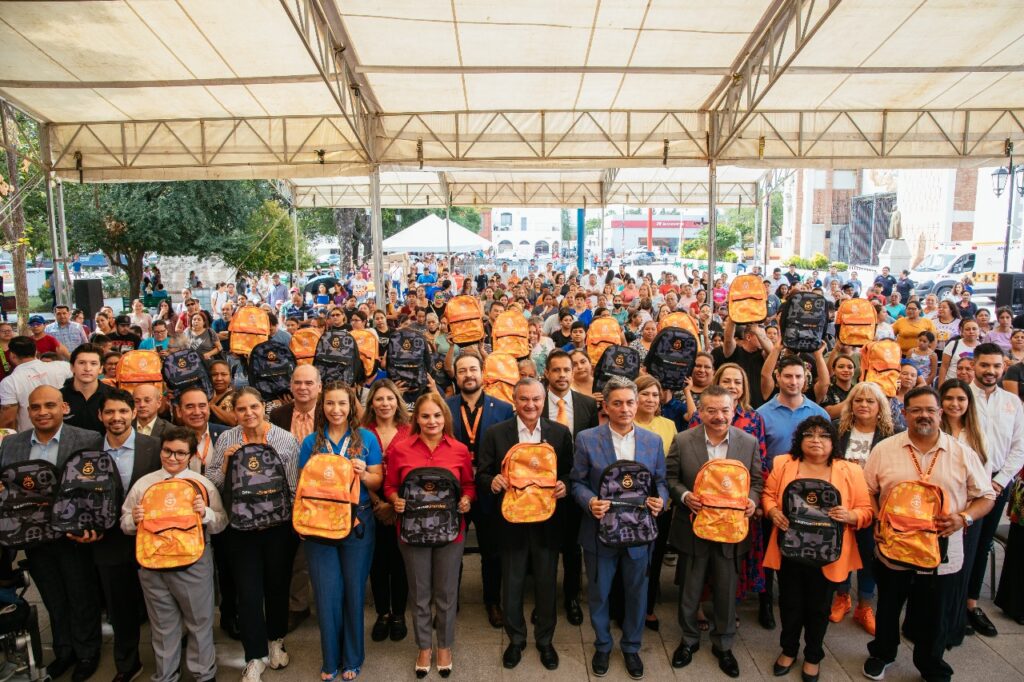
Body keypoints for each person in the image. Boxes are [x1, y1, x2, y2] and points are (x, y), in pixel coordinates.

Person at [861, 386, 996, 682]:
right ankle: (882, 654)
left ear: (940, 413)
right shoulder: (885, 449)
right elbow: (867, 489)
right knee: (888, 606)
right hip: (893, 547)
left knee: (935, 614)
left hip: (942, 552)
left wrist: (963, 517)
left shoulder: (961, 452)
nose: (924, 415)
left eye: (930, 410)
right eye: (916, 410)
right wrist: (878, 519)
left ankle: (931, 664)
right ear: (905, 413)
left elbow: (986, 496)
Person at [0, 386, 104, 681]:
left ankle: (87, 653)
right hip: (32, 536)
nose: (42, 412)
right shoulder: (12, 443)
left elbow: (98, 487)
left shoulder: (88, 439)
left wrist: (94, 527)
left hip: (73, 536)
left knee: (81, 595)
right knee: (52, 597)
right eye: (35, 407)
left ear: (64, 408)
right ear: (28, 411)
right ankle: (64, 650)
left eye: (49, 405)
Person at [571, 376, 668, 680]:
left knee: (637, 593)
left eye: (629, 402)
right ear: (606, 406)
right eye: (617, 403)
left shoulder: (653, 441)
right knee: (599, 593)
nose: (625, 409)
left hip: (639, 533)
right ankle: (602, 645)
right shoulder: (587, 439)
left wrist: (661, 501)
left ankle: (631, 647)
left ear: (637, 404)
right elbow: (576, 481)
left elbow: (661, 482)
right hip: (600, 532)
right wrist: (589, 502)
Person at [763, 416, 872, 682]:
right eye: (809, 434)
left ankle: (813, 655)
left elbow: (866, 510)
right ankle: (788, 650)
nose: (816, 440)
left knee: (819, 607)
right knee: (789, 604)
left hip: (828, 553)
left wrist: (851, 515)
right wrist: (773, 511)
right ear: (799, 439)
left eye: (823, 435)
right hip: (790, 549)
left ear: (833, 441)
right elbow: (768, 495)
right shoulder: (783, 463)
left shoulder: (850, 470)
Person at [477, 378, 573, 671]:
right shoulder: (496, 433)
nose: (530, 405)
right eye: (524, 399)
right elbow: (482, 473)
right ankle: (516, 640)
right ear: (514, 401)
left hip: (547, 522)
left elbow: (570, 472)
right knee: (513, 583)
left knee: (546, 584)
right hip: (511, 522)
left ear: (544, 401)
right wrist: (492, 481)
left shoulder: (559, 433)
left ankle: (545, 641)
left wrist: (565, 485)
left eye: (536, 399)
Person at [667, 386, 762, 678]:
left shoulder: (748, 442)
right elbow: (670, 478)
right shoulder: (683, 440)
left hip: (731, 530)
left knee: (726, 589)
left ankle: (724, 644)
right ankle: (688, 640)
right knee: (690, 588)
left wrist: (752, 501)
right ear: (700, 411)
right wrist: (684, 496)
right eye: (711, 410)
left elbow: (757, 480)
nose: (719, 416)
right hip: (693, 526)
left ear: (733, 410)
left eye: (724, 410)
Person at [206, 388, 300, 682]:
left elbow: (293, 485)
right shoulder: (226, 439)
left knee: (277, 586)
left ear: (263, 408)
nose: (248, 414)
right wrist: (226, 464)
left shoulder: (285, 439)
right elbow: (211, 482)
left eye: (254, 407)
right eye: (242, 409)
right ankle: (253, 656)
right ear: (234, 412)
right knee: (248, 593)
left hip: (278, 528)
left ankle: (276, 640)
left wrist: (295, 524)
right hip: (241, 531)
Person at [121, 427, 228, 682]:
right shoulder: (144, 484)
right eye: (167, 451)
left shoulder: (202, 484)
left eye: (180, 453)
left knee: (199, 622)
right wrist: (133, 519)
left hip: (193, 563)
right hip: (152, 566)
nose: (172, 458)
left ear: (191, 456)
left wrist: (205, 514)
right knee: (162, 625)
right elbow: (124, 524)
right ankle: (166, 674)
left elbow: (221, 522)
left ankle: (204, 674)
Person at [384, 393, 475, 678]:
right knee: (419, 593)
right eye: (425, 416)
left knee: (446, 594)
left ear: (445, 418)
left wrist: (467, 500)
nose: (431, 421)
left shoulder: (459, 450)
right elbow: (390, 485)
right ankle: (424, 646)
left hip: (451, 532)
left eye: (437, 415)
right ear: (416, 419)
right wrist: (395, 500)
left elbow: (469, 484)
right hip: (412, 532)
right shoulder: (401, 449)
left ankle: (444, 646)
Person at [298, 382, 383, 681]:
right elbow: (303, 486)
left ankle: (353, 658)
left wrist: (364, 473)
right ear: (322, 407)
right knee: (326, 593)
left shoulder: (367, 439)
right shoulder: (311, 442)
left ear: (351, 407)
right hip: (319, 526)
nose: (336, 410)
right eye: (330, 403)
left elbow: (378, 481)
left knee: (353, 591)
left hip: (357, 524)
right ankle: (330, 658)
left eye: (342, 403)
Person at [83, 389, 162, 682]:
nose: (116, 417)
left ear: (133, 413)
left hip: (151, 538)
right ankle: (127, 663)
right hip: (108, 542)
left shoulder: (154, 447)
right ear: (100, 415)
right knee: (119, 608)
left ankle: (170, 662)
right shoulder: (90, 451)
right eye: (110, 412)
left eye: (123, 411)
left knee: (162, 604)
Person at [444, 352, 514, 628]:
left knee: (492, 551)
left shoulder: (503, 409)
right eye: (462, 371)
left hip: (489, 488)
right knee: (451, 550)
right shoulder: (445, 407)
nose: (468, 375)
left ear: (483, 372)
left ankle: (492, 601)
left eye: (473, 369)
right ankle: (450, 601)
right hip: (455, 488)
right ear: (455, 375)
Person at [963, 343, 1024, 638]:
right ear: (974, 365)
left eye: (996, 366)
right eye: (985, 365)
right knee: (961, 545)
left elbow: (1019, 447)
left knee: (983, 543)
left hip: (998, 484)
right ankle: (952, 603)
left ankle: (971, 603)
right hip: (964, 485)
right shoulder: (961, 397)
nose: (990, 371)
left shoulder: (1012, 402)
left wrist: (999, 482)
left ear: (1003, 368)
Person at [831, 382, 899, 634]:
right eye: (858, 400)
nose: (863, 405)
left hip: (875, 503)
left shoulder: (893, 435)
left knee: (870, 553)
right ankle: (842, 597)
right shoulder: (838, 429)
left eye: (870, 401)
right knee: (842, 550)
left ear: (880, 406)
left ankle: (865, 605)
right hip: (842, 502)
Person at [543, 349, 599, 625]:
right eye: (556, 370)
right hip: (542, 486)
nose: (562, 375)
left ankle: (572, 597)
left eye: (567, 369)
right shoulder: (536, 402)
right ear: (547, 373)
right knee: (545, 547)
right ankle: (544, 600)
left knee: (573, 547)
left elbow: (592, 446)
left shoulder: (587, 404)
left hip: (576, 485)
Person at [268, 364, 322, 631]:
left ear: (319, 387)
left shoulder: (329, 411)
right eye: (298, 382)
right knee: (292, 554)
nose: (303, 388)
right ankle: (297, 606)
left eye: (309, 383)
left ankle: (325, 605)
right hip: (286, 492)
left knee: (316, 554)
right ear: (290, 386)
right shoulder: (278, 414)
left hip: (321, 493)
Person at [937, 378, 989, 647]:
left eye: (960, 399)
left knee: (961, 568)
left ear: (969, 403)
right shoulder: (935, 430)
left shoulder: (977, 435)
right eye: (949, 398)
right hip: (938, 511)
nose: (954, 404)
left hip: (968, 512)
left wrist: (968, 512)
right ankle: (929, 625)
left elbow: (984, 478)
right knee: (935, 571)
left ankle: (953, 624)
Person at [362, 380, 411, 643]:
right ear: (371, 403)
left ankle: (399, 614)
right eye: (379, 399)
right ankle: (382, 613)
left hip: (402, 502)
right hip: (371, 502)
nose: (385, 404)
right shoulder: (362, 432)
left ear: (397, 401)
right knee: (377, 562)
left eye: (390, 398)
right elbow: (355, 470)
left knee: (400, 561)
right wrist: (377, 503)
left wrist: (393, 504)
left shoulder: (409, 430)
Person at [633, 375, 678, 631]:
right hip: (630, 504)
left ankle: (648, 607)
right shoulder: (626, 423)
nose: (651, 399)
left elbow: (672, 466)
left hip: (660, 503)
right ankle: (625, 605)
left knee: (655, 557)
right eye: (645, 394)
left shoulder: (669, 425)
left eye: (655, 394)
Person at [60, 343, 115, 435]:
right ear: (72, 367)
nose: (87, 368)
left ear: (101, 368)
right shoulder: (58, 397)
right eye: (82, 363)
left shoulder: (114, 396)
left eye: (93, 363)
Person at [715, 320, 772, 408]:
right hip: (734, 405)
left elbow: (772, 351)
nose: (763, 339)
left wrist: (756, 330)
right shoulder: (734, 351)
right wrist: (732, 318)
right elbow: (728, 339)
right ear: (748, 337)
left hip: (758, 406)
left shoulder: (762, 355)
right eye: (760, 336)